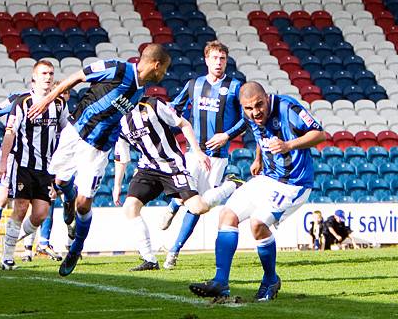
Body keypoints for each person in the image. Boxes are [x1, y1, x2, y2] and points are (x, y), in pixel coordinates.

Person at [27, 43, 171, 276]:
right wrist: (46, 100)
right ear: (156, 65)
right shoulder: (117, 69)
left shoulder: (139, 92)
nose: (164, 75)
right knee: (60, 183)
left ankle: (76, 247)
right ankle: (67, 202)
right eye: (164, 69)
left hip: (98, 148)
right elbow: (76, 77)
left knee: (84, 204)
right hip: (75, 132)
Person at [189, 81, 325, 301]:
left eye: (259, 105)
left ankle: (271, 279)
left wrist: (288, 145)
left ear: (266, 97)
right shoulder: (251, 116)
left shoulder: (287, 107)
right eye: (249, 109)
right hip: (267, 178)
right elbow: (262, 136)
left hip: (294, 183)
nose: (255, 112)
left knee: (257, 224)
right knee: (227, 215)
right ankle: (220, 282)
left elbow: (319, 134)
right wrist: (258, 158)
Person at [112, 96, 242, 271]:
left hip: (172, 166)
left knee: (198, 208)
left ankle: (231, 184)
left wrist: (197, 152)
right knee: (130, 208)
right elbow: (121, 156)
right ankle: (149, 259)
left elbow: (184, 124)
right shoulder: (119, 123)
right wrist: (116, 186)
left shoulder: (152, 104)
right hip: (148, 168)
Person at [160, 40, 246, 270]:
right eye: (215, 58)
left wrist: (226, 135)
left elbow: (246, 119)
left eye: (223, 59)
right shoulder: (194, 85)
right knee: (185, 194)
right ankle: (173, 205)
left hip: (217, 157)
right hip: (194, 153)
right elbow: (174, 109)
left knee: (198, 206)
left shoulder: (236, 87)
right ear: (206, 59)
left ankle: (174, 251)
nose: (219, 62)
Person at [0, 60, 69, 270]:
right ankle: (7, 257)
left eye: (51, 74)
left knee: (40, 214)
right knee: (20, 207)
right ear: (34, 77)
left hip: (46, 168)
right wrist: (2, 163)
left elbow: (66, 132)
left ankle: (11, 239)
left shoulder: (59, 104)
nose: (48, 77)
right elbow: (9, 133)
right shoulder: (22, 102)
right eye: (44, 73)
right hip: (23, 165)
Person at [21, 84, 72, 262]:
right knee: (42, 205)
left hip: (62, 166)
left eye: (67, 93)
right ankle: (33, 246)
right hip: (43, 165)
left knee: (62, 203)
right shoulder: (44, 114)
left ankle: (59, 242)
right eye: (62, 92)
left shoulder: (64, 116)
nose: (65, 96)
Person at [0, 93, 20, 263]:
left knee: (25, 203)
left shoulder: (54, 106)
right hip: (10, 156)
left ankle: (13, 252)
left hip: (32, 159)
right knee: (1, 199)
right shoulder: (18, 98)